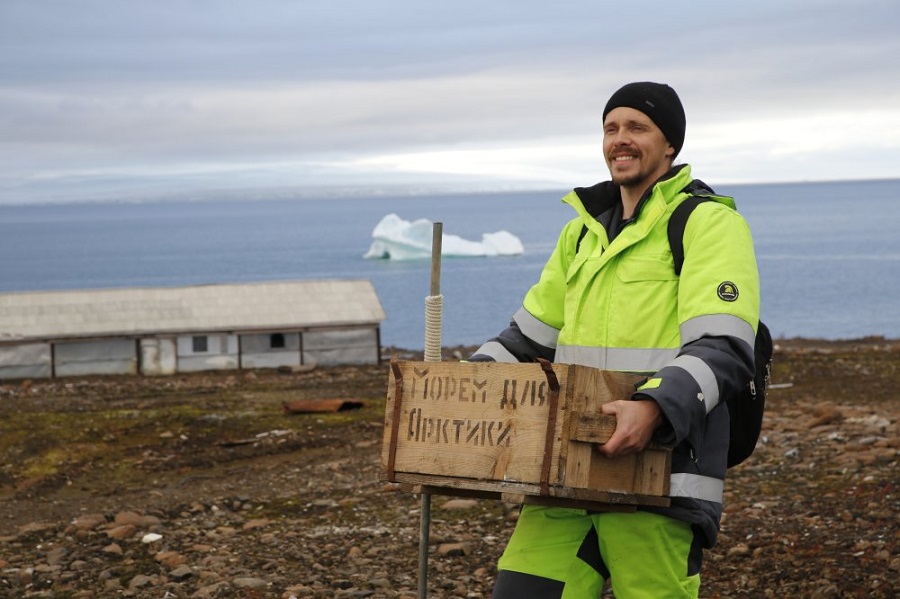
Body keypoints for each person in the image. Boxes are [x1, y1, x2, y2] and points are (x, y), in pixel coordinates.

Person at [469, 82, 760, 598]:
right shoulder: (581, 233)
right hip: (565, 477)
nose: (619, 140)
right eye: (611, 128)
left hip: (661, 477)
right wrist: (465, 388)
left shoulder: (708, 223)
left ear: (669, 144)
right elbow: (527, 339)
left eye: (636, 128)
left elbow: (724, 345)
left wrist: (653, 407)